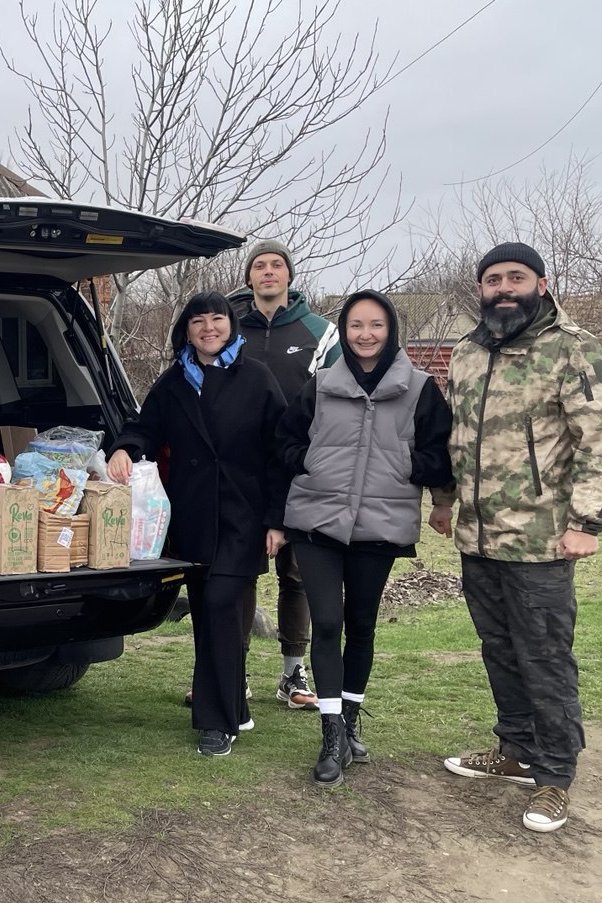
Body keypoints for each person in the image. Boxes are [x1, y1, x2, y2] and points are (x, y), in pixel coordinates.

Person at [433, 242, 602, 833]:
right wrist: (446, 502)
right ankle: (516, 748)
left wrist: (586, 523)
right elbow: (455, 436)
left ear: (541, 282)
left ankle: (554, 775)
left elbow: (596, 439)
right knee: (499, 648)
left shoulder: (570, 349)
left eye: (515, 277)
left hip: (541, 540)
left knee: (545, 655)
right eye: (493, 280)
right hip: (478, 538)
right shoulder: (467, 352)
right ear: (481, 289)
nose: (504, 288)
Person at [276, 290, 453, 786]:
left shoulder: (419, 389)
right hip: (317, 521)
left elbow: (441, 454)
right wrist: (309, 463)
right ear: (344, 331)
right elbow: (284, 440)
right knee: (327, 622)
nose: (365, 334)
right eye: (356, 325)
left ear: (390, 329)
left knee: (362, 624)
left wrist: (405, 467)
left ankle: (352, 719)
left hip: (380, 524)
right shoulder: (320, 386)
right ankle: (331, 733)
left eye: (375, 325)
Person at [108, 292, 288, 756]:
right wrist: (126, 448)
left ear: (231, 325)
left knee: (224, 607)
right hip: (192, 517)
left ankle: (216, 722)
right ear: (186, 330)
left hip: (244, 516)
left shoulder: (258, 378)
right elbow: (146, 427)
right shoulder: (174, 383)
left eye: (217, 319)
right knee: (210, 615)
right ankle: (235, 707)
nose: (209, 328)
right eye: (198, 321)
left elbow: (280, 455)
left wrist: (277, 521)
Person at [228, 240, 341, 710]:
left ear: (289, 276)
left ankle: (293, 677)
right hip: (242, 473)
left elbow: (339, 399)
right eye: (260, 266)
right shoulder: (228, 328)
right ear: (250, 277)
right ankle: (231, 674)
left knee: (297, 575)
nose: (268, 272)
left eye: (277, 265)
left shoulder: (322, 331)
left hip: (301, 471)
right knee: (238, 574)